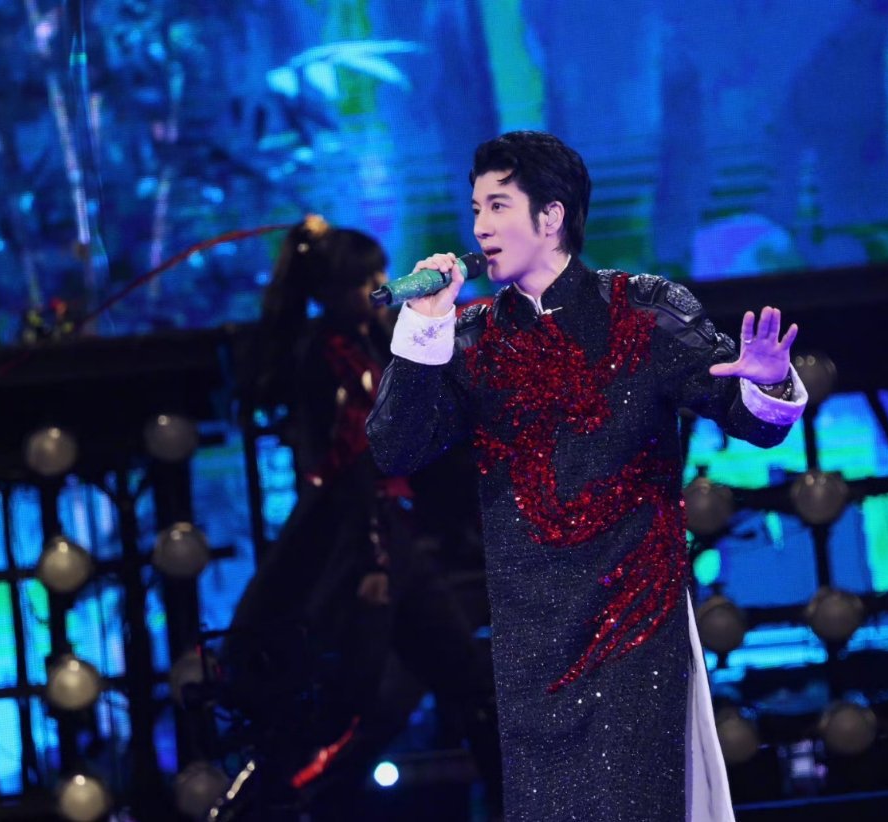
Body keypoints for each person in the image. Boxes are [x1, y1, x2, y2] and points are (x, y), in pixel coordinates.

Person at [367, 131, 808, 822]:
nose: (480, 226)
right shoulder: (475, 339)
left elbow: (750, 416)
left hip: (637, 627)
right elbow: (394, 449)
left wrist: (769, 381)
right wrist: (424, 329)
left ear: (551, 216)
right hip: (530, 640)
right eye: (476, 208)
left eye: (498, 205)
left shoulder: (642, 310)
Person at [222, 215, 502, 819]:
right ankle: (279, 800)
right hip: (359, 538)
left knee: (461, 682)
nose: (379, 286)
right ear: (330, 291)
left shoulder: (369, 342)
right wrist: (373, 555)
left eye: (379, 273)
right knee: (356, 704)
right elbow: (352, 458)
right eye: (363, 280)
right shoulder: (328, 356)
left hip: (390, 537)